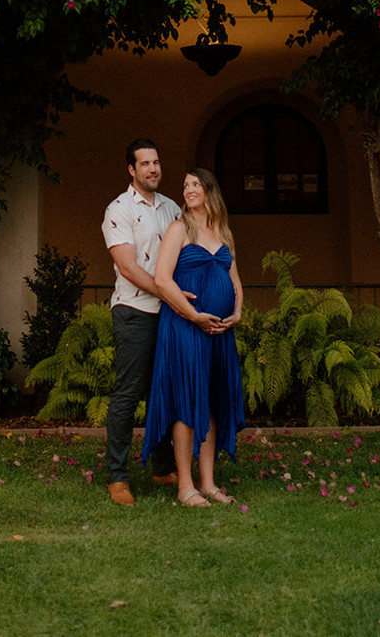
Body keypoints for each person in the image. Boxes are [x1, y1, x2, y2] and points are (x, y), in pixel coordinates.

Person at [142, 167, 246, 507]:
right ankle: (185, 486)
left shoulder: (222, 231)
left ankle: (209, 483)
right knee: (187, 402)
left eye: (195, 184)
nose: (188, 189)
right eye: (185, 185)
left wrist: (237, 312)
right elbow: (162, 279)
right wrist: (194, 315)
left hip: (218, 332)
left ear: (209, 190)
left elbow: (235, 280)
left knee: (211, 401)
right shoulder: (179, 229)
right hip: (185, 327)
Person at [101, 138, 182, 506]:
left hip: (169, 314)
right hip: (134, 312)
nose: (153, 169)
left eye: (156, 162)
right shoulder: (118, 209)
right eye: (145, 163)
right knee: (128, 393)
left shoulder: (172, 208)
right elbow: (128, 267)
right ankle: (117, 477)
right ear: (131, 170)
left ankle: (163, 468)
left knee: (163, 392)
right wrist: (169, 293)